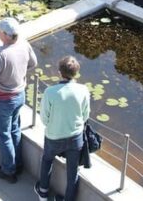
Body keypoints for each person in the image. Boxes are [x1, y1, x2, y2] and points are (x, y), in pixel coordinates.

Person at [0, 17, 37, 184]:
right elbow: (33, 63)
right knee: (14, 130)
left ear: (5, 35)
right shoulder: (25, 45)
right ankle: (18, 164)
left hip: (2, 100)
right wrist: (19, 73)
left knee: (4, 135)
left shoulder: (0, 54)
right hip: (19, 96)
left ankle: (8, 170)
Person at [34, 56, 90, 201]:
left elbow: (44, 118)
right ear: (76, 73)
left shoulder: (50, 92)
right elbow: (85, 115)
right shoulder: (83, 90)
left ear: (60, 72)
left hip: (54, 136)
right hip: (75, 137)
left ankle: (43, 193)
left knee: (47, 160)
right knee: (73, 172)